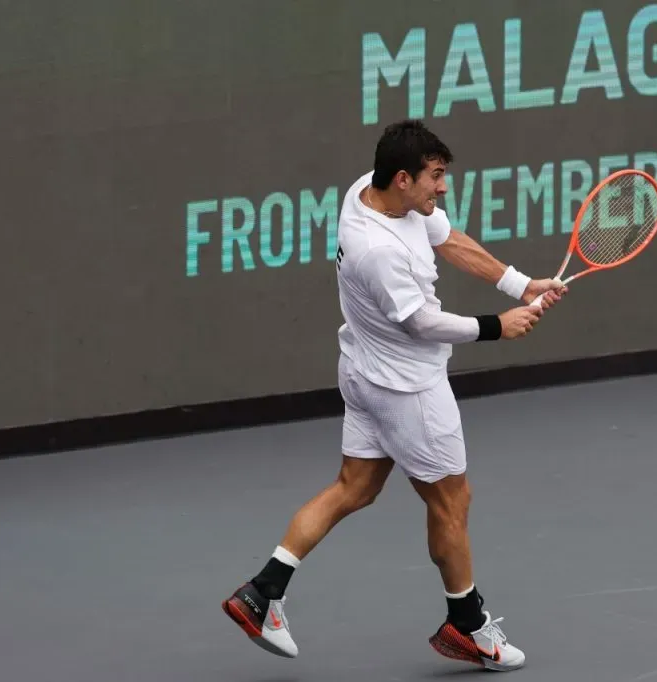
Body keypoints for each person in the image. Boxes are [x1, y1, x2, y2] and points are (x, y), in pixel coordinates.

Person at [222, 119, 566, 672]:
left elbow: (448, 239)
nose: (443, 188)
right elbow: (423, 324)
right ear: (403, 179)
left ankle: (262, 593)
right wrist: (498, 326)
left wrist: (519, 283)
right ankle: (469, 625)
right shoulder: (377, 251)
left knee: (353, 488)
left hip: (361, 373)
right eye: (435, 177)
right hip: (408, 391)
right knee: (452, 502)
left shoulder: (372, 190)